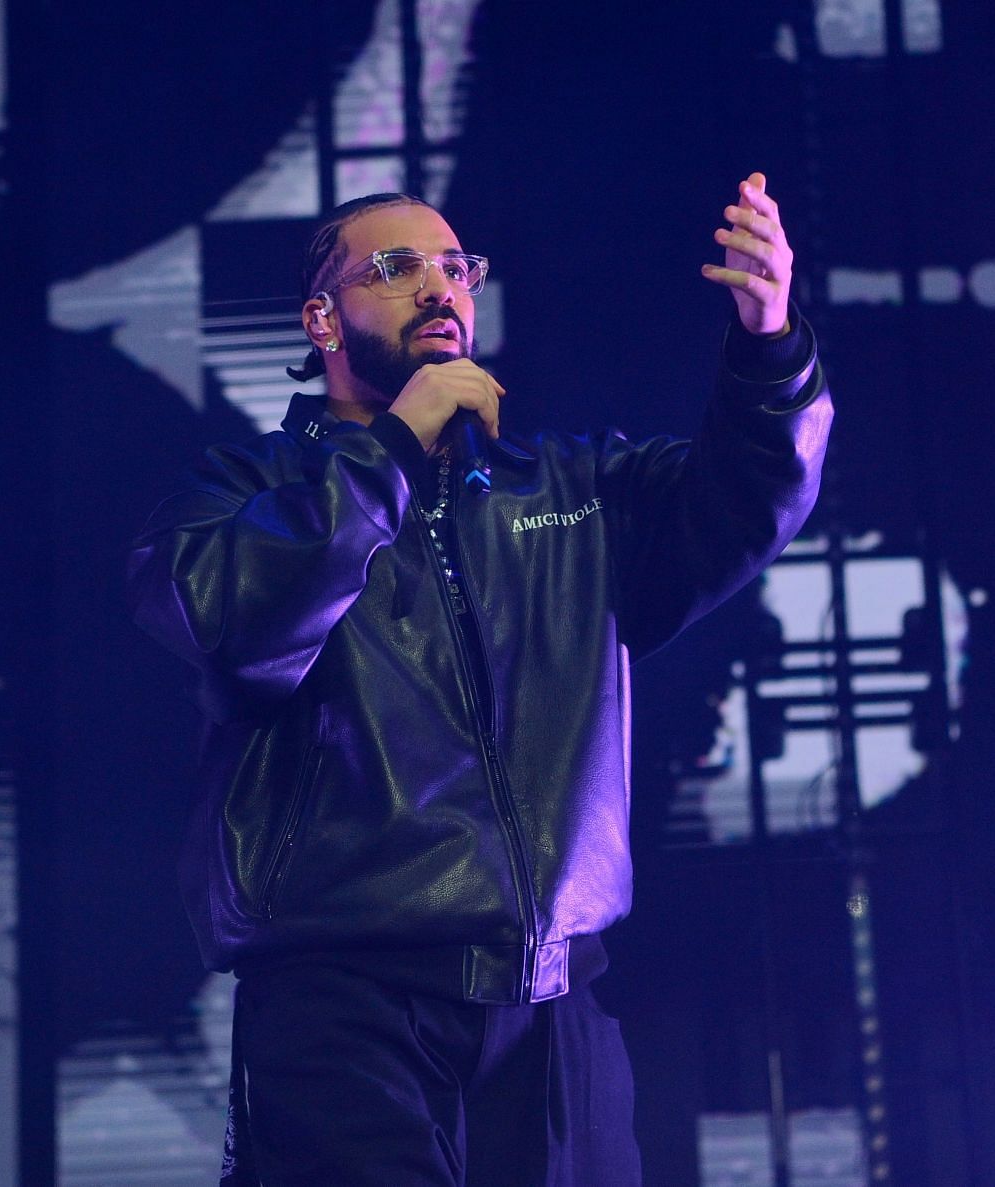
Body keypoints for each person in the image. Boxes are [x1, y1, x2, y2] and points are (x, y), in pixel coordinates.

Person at [128, 173, 831, 1185]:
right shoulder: (244, 494)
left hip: (554, 1002)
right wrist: (392, 451)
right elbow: (231, 617)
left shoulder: (573, 491)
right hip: (344, 1002)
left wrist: (769, 344)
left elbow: (750, 493)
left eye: (455, 266)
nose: (438, 287)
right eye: (396, 266)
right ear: (320, 317)